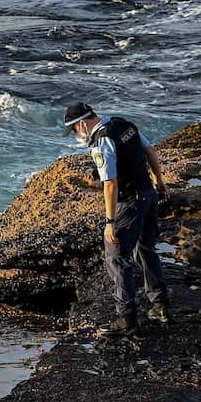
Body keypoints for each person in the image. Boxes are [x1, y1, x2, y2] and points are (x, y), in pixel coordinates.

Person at [63, 102, 171, 335]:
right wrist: (160, 182)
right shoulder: (122, 124)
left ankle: (127, 319)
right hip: (149, 194)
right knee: (146, 248)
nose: (76, 134)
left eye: (74, 129)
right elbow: (149, 150)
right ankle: (161, 306)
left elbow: (110, 183)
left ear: (82, 123)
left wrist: (110, 222)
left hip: (130, 201)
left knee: (117, 257)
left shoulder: (101, 141)